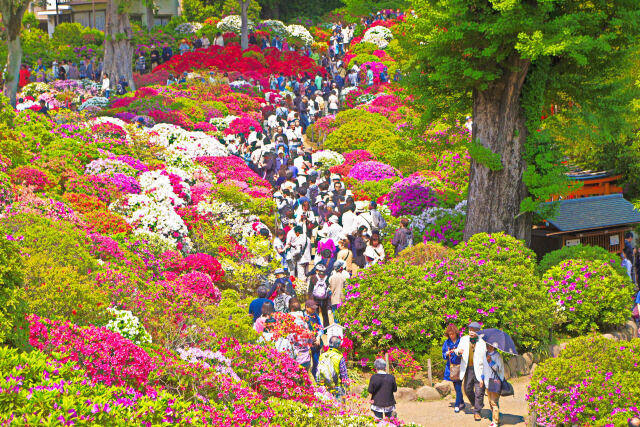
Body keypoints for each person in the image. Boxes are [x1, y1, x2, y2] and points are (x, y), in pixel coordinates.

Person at [455, 321, 487, 422]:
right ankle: (477, 403)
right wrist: (458, 352)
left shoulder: (482, 342)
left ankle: (477, 411)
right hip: (468, 369)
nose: (471, 332)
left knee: (479, 391)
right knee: (467, 389)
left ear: (478, 331)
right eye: (470, 330)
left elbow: (486, 358)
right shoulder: (464, 339)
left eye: (474, 330)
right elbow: (457, 350)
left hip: (480, 370)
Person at [442, 324, 464, 413]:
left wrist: (460, 352)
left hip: (461, 366)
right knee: (456, 386)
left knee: (458, 386)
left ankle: (457, 404)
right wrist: (447, 353)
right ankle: (461, 402)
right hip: (451, 367)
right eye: (450, 334)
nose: (451, 336)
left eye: (453, 334)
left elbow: (465, 352)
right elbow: (443, 355)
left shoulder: (461, 341)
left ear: (456, 333)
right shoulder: (446, 342)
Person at [485, 343, 505, 427]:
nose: (488, 347)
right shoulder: (485, 354)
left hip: (495, 381)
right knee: (490, 401)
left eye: (489, 345)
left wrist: (490, 361)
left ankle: (495, 421)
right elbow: (484, 368)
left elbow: (498, 369)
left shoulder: (497, 356)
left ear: (493, 346)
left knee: (494, 402)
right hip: (487, 381)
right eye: (487, 345)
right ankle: (496, 418)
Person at [308, 263, 331, 328]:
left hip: (315, 298)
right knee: (325, 314)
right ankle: (326, 328)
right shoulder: (327, 277)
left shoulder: (313, 277)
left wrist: (310, 299)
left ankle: (316, 327)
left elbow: (310, 289)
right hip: (324, 299)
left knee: (316, 313)